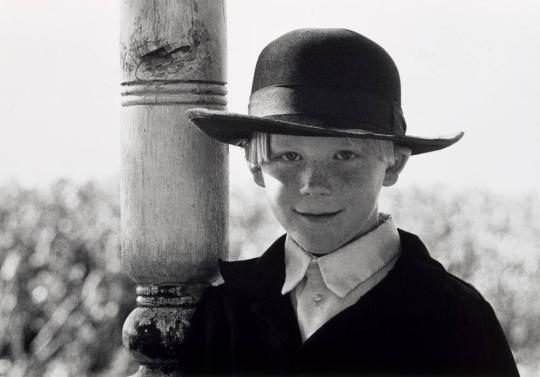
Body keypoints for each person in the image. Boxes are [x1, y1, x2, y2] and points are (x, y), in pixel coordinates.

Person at [183, 28, 519, 376]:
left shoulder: (456, 317)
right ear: (256, 168)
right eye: (290, 156)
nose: (314, 184)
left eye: (344, 155)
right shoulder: (225, 311)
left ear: (395, 164)